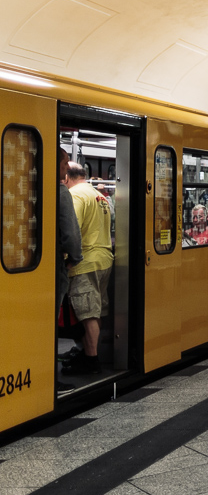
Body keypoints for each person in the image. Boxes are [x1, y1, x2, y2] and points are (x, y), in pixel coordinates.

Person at [63, 162, 114, 376]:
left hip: (85, 262)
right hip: (104, 258)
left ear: (67, 177)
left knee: (87, 313)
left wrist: (68, 259)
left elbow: (72, 230)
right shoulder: (99, 196)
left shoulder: (75, 195)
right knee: (95, 310)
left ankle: (91, 360)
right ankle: (87, 353)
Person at [55, 149, 83, 376]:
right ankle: (50, 378)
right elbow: (71, 234)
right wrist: (74, 258)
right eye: (64, 163)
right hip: (54, 266)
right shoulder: (61, 192)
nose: (66, 168)